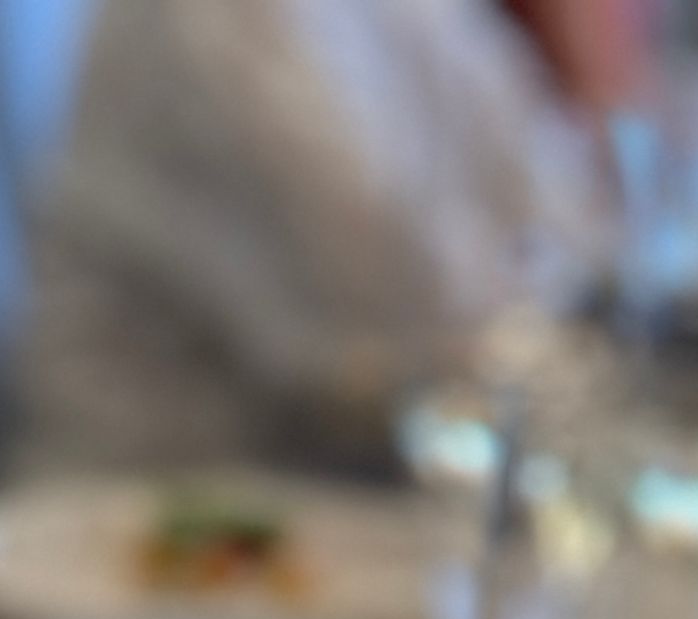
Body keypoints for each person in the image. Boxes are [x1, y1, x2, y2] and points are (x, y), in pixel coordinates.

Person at [11, 0, 652, 480]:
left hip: (337, 530)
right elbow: (406, 321)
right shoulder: (221, 15)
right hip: (139, 551)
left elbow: (581, 224)